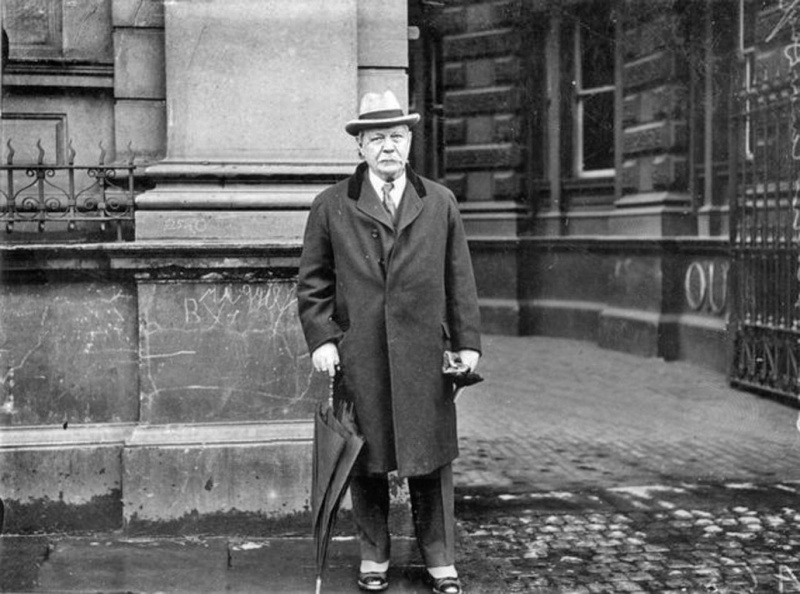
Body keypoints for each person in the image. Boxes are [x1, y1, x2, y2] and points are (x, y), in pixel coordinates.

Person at [297, 90, 481, 594]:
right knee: (367, 457)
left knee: (432, 457)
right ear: (359, 147)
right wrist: (323, 340)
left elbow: (458, 276)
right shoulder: (331, 206)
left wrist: (468, 345)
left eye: (396, 137)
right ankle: (374, 554)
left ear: (410, 142)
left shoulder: (439, 202)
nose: (387, 148)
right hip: (362, 354)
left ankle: (440, 559)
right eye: (376, 138)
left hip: (426, 352)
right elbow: (313, 284)